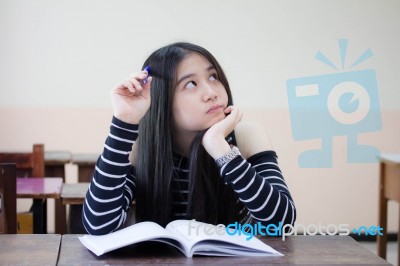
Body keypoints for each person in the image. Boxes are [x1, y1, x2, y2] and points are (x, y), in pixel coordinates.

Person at [83, 42, 296, 235]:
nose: (211, 92)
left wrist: (221, 149)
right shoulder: (140, 147)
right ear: (162, 99)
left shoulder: (246, 136)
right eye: (191, 84)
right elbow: (98, 226)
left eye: (213, 77)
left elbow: (282, 224)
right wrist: (124, 121)